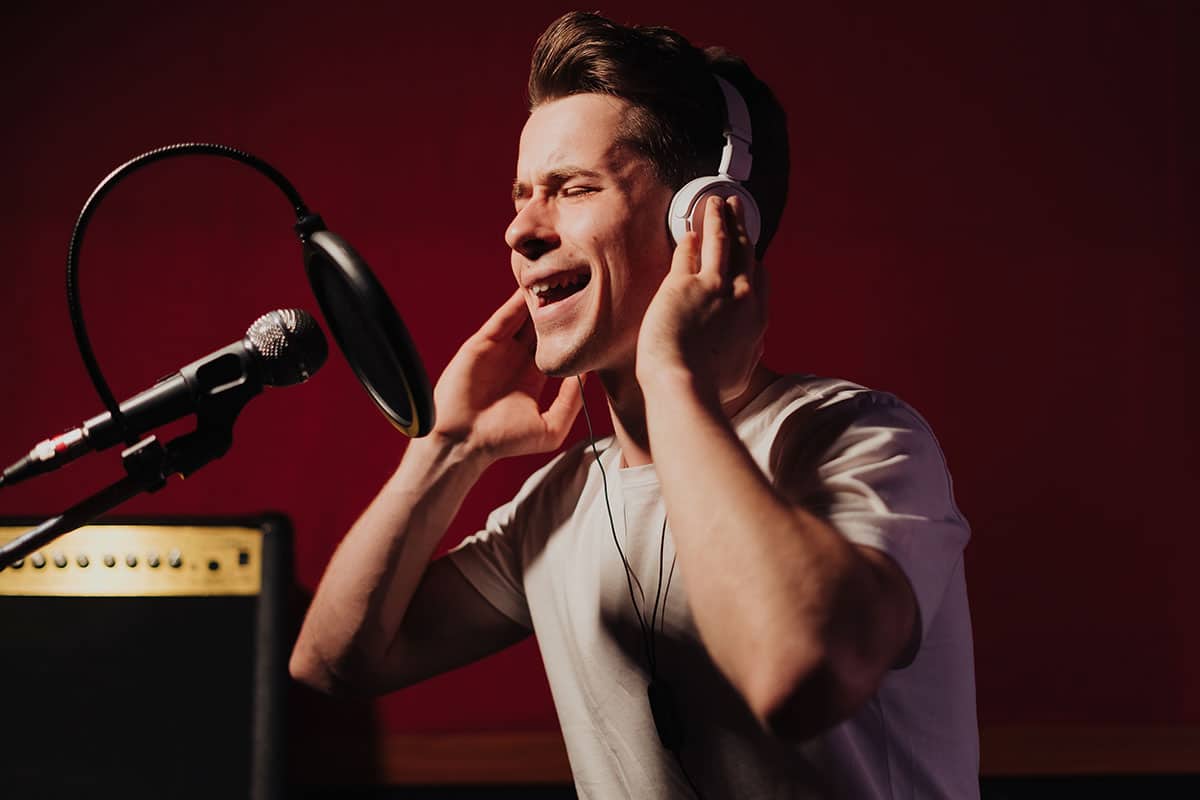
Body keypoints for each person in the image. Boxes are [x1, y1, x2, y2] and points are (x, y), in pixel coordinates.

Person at [291, 11, 978, 798]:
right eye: (520, 198)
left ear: (707, 217)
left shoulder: (856, 438)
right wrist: (448, 446)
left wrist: (675, 376)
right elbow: (334, 660)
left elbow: (801, 673)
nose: (519, 230)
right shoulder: (560, 504)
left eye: (574, 189)